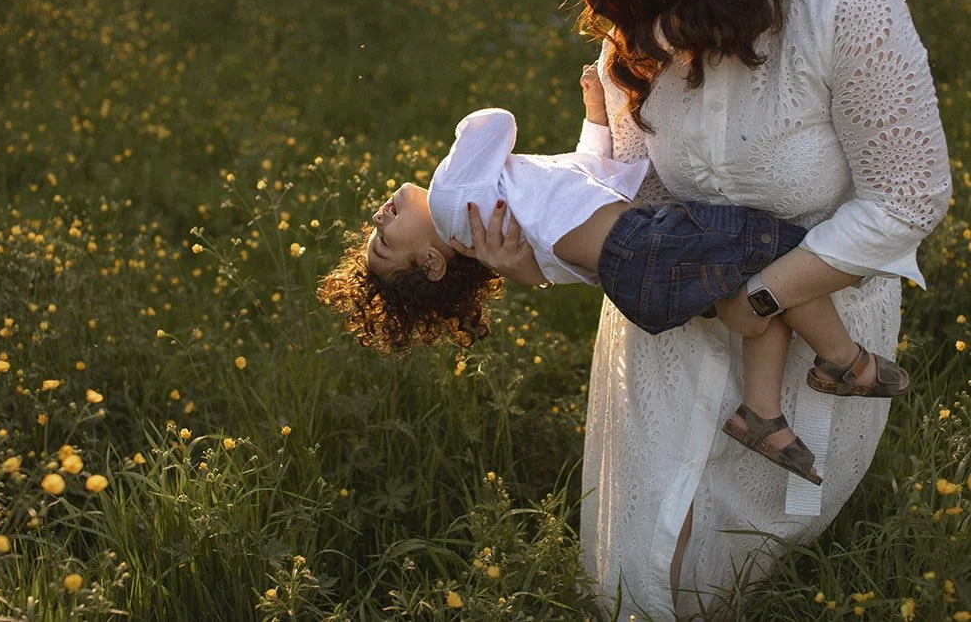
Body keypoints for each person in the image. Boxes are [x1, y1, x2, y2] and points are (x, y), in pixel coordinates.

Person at [453, 0, 951, 617]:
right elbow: (638, 216)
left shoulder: (841, 0)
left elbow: (908, 198)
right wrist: (542, 261)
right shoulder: (636, 40)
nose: (618, 20)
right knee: (632, 582)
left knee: (740, 581)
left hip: (815, 328)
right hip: (674, 336)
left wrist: (763, 294)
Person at [319, 69, 909, 487]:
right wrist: (457, 161)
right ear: (430, 262)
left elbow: (581, 182)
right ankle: (845, 362)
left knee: (761, 296)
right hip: (644, 245)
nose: (377, 217)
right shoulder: (454, 195)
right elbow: (492, 120)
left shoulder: (503, 233)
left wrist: (595, 116)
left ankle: (761, 413)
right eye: (383, 241)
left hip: (633, 275)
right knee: (776, 249)